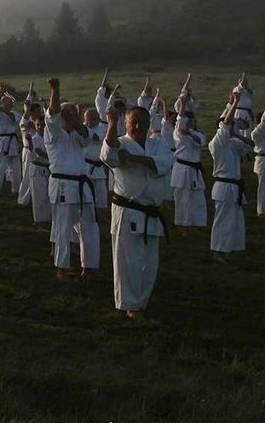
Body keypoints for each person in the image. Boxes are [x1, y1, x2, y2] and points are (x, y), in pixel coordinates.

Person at [102, 105, 171, 319]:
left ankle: (142, 301)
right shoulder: (120, 142)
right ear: (126, 123)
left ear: (150, 124)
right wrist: (111, 124)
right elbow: (108, 157)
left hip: (151, 210)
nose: (138, 127)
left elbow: (165, 163)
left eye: (143, 122)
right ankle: (130, 305)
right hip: (128, 210)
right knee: (128, 260)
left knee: (150, 262)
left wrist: (133, 159)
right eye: (134, 123)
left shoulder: (158, 143)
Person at [44, 78, 97, 280]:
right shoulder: (53, 134)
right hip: (63, 184)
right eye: (68, 115)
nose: (73, 118)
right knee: (63, 228)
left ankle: (89, 266)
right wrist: (55, 90)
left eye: (75, 115)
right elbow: (53, 112)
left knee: (88, 226)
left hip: (82, 184)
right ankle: (62, 268)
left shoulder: (79, 134)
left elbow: (86, 134)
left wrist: (75, 120)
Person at [209, 96, 253, 263]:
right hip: (224, 185)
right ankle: (218, 250)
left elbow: (250, 144)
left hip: (234, 186)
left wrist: (237, 134)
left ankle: (230, 248)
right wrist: (234, 104)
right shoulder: (216, 144)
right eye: (230, 125)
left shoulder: (233, 144)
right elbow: (225, 126)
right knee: (223, 220)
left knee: (235, 220)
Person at [171, 102, 209, 230]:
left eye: (192, 120)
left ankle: (196, 222)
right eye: (189, 121)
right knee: (182, 197)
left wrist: (190, 133)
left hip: (194, 170)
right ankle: (182, 224)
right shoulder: (178, 133)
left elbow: (201, 142)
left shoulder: (197, 134)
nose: (191, 123)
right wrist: (182, 105)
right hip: (182, 169)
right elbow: (180, 122)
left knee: (197, 197)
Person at [0, 85, 23, 197]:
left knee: (15, 165)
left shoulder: (13, 113)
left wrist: (6, 111)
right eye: (9, 102)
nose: (11, 104)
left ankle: (16, 188)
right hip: (2, 140)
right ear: (3, 103)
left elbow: (16, 118)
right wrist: (0, 91)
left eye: (11, 102)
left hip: (12, 141)